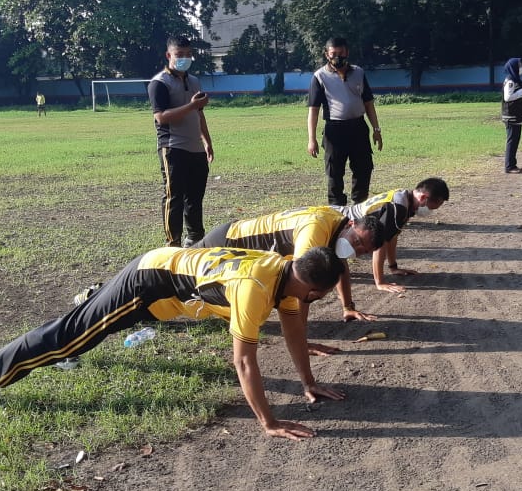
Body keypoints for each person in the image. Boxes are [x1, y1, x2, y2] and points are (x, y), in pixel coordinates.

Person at [0, 246, 346, 440]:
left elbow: (295, 332)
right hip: (149, 282)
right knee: (71, 335)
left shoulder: (287, 272)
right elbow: (244, 363)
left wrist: (308, 382)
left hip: (166, 286)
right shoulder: (256, 290)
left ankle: (68, 343)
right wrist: (269, 422)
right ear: (315, 289)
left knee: (77, 332)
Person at [192, 206, 383, 349]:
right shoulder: (316, 229)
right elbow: (303, 283)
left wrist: (348, 307)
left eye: (362, 250)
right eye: (357, 241)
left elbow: (340, 264)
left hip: (237, 247)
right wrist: (301, 343)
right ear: (351, 224)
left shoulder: (338, 226)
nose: (355, 248)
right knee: (174, 277)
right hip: (228, 242)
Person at [149, 35, 214, 246]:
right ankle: (172, 243)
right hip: (173, 147)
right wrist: (192, 106)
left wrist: (207, 141)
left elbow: (199, 114)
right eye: (179, 55)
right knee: (174, 197)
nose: (184, 58)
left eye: (188, 54)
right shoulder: (159, 83)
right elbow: (161, 117)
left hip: (196, 148)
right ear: (169, 55)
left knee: (195, 198)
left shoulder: (194, 81)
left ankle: (195, 239)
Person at [307, 37, 383, 205]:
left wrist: (376, 130)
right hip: (334, 130)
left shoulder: (359, 73)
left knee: (363, 168)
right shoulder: (319, 77)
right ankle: (337, 210)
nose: (337, 57)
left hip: (358, 127)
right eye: (333, 54)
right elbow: (313, 110)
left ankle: (359, 205)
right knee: (334, 171)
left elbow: (368, 103)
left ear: (347, 52)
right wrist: (311, 139)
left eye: (341, 53)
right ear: (327, 54)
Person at [340, 177, 450, 294]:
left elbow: (391, 237)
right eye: (431, 207)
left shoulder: (405, 200)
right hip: (339, 225)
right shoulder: (399, 207)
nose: (430, 211)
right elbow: (380, 243)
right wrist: (380, 282)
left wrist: (393, 267)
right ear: (423, 197)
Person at [501, 58, 522, 173]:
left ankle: (512, 165)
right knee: (512, 141)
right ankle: (509, 166)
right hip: (511, 116)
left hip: (515, 115)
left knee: (515, 140)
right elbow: (507, 98)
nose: (521, 67)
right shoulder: (510, 81)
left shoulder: (515, 80)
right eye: (519, 65)